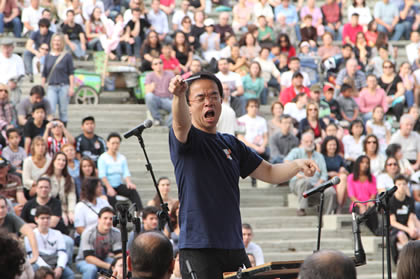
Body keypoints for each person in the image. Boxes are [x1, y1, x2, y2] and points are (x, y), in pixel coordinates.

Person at [168, 72, 320, 278]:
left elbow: (270, 172)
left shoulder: (232, 144)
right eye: (200, 98)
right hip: (198, 245)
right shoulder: (187, 140)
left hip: (233, 244)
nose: (208, 103)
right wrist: (178, 96)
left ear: (221, 101)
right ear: (189, 105)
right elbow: (179, 124)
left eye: (213, 96)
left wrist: (297, 165)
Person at [285, 131, 335, 216]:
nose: (309, 144)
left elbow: (324, 174)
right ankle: (301, 208)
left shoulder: (319, 156)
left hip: (315, 185)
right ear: (302, 142)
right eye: (306, 141)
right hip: (298, 182)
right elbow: (286, 162)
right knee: (305, 182)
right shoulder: (296, 152)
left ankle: (327, 216)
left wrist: (319, 183)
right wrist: (297, 174)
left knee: (331, 191)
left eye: (311, 141)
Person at [24, 206, 74, 278]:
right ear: (36, 219)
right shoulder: (30, 235)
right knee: (32, 270)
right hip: (38, 263)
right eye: (42, 218)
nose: (45, 220)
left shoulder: (57, 233)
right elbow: (33, 256)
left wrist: (60, 267)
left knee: (70, 274)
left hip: (55, 261)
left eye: (48, 218)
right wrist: (48, 269)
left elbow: (62, 253)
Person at [98, 132, 143, 211]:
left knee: (132, 191)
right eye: (113, 143)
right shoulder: (103, 158)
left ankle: (140, 213)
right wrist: (109, 188)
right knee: (111, 198)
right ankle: (113, 218)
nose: (115, 145)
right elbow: (102, 175)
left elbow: (126, 172)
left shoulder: (122, 158)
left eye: (117, 143)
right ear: (107, 144)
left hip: (118, 185)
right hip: (107, 185)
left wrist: (129, 182)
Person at [76, 207, 122, 279]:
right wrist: (109, 266)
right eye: (105, 218)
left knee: (118, 266)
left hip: (104, 259)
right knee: (91, 269)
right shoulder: (88, 232)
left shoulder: (116, 233)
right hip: (84, 260)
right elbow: (88, 258)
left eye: (111, 219)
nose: (108, 221)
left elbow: (118, 254)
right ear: (99, 219)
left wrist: (118, 265)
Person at [42, 34, 74, 125]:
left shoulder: (67, 56)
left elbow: (71, 73)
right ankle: (51, 130)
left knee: (63, 110)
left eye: (59, 40)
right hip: (51, 86)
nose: (57, 42)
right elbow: (44, 73)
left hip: (63, 85)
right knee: (50, 109)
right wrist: (42, 86)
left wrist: (72, 87)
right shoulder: (48, 56)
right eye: (55, 40)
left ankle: (63, 130)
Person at [0, 195, 39, 264]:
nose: (1, 210)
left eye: (3, 207)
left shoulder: (11, 217)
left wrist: (35, 256)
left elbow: (30, 232)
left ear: (7, 208)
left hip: (11, 257)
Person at [390, 175, 420, 258]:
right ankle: (409, 258)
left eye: (404, 184)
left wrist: (412, 229)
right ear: (395, 186)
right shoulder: (391, 201)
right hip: (395, 229)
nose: (402, 186)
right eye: (399, 184)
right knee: (401, 235)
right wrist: (408, 229)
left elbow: (411, 217)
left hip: (407, 225)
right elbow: (393, 222)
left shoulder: (409, 200)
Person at [42, 152, 76, 227]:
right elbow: (48, 197)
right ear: (53, 161)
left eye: (63, 160)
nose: (61, 162)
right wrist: (60, 212)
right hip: (50, 209)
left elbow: (72, 196)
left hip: (66, 208)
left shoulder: (69, 179)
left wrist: (71, 211)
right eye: (59, 160)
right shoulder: (46, 178)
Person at [347, 155, 378, 235]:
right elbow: (351, 195)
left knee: (371, 210)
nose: (365, 165)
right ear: (358, 164)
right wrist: (361, 205)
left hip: (369, 203)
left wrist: (369, 202)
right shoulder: (351, 177)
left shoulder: (372, 178)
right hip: (356, 204)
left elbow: (373, 193)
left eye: (367, 163)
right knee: (364, 212)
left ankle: (375, 231)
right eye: (362, 162)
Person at [321, 136, 348, 213]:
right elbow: (318, 171)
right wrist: (328, 173)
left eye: (334, 145)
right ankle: (338, 206)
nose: (332, 147)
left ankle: (339, 206)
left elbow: (347, 172)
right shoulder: (321, 157)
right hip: (326, 180)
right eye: (330, 145)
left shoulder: (339, 157)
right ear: (325, 145)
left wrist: (343, 170)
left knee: (343, 176)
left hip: (338, 181)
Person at [144, 57, 174, 126]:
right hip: (156, 99)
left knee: (177, 107)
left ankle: (167, 124)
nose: (158, 65)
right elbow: (146, 92)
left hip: (168, 99)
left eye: (160, 63)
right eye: (155, 64)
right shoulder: (149, 75)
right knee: (149, 96)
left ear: (163, 64)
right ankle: (157, 119)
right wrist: (152, 88)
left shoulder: (170, 74)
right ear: (152, 66)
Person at [0, 38, 25, 107]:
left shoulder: (18, 59)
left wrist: (15, 83)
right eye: (4, 48)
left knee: (13, 107)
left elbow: (21, 75)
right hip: (1, 87)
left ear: (12, 48)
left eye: (8, 47)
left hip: (13, 88)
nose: (6, 50)